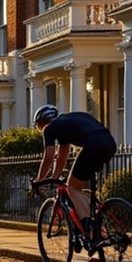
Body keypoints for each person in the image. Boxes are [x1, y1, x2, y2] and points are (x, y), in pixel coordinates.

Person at [30, 104, 117, 247]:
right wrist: (54, 177)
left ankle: (91, 232)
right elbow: (63, 154)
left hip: (93, 145)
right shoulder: (65, 123)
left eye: (38, 126)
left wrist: (39, 180)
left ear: (41, 123)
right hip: (109, 143)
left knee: (72, 189)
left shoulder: (49, 128)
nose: (40, 129)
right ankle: (97, 213)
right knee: (79, 189)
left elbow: (49, 157)